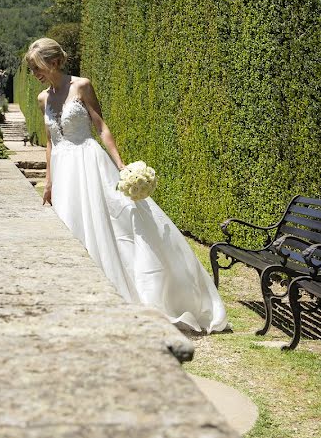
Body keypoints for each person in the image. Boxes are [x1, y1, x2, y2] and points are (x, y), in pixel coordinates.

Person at [26, 37, 228, 333]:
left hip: (88, 163)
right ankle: (75, 300)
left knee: (113, 226)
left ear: (54, 61)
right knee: (70, 229)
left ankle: (123, 296)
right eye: (31, 70)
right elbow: (49, 142)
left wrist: (120, 165)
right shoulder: (43, 98)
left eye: (37, 67)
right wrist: (48, 181)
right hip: (64, 169)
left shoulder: (81, 86)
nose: (35, 75)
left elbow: (101, 127)